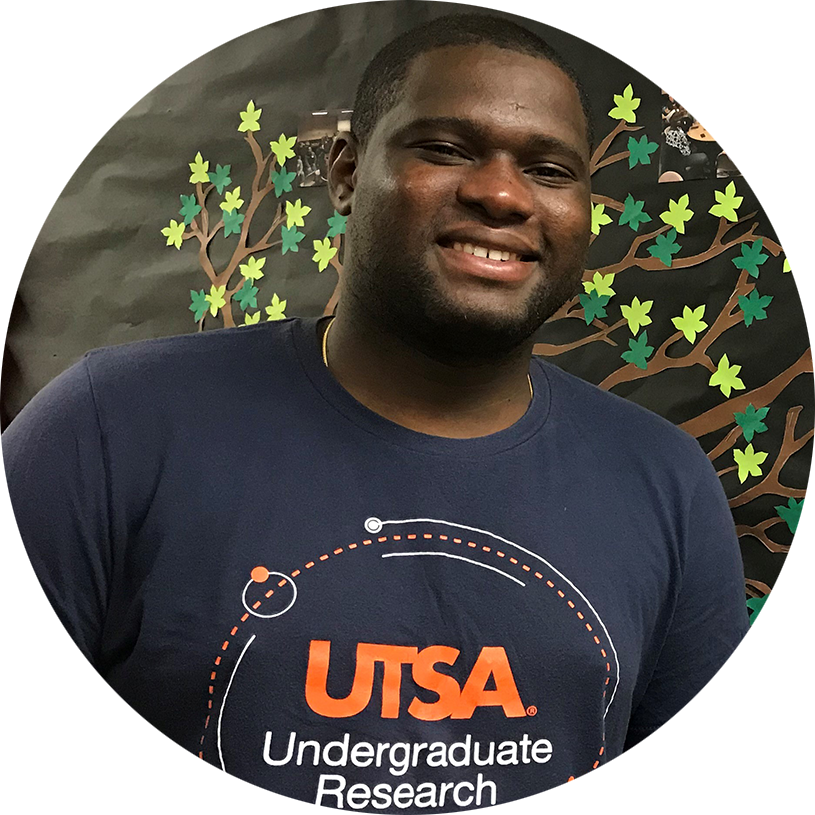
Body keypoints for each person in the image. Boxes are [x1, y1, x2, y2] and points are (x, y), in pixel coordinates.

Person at [0, 13, 764, 815]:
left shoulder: (664, 480)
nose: (501, 193)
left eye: (547, 168)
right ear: (344, 172)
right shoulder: (106, 432)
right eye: (444, 148)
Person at [717, 107, 753, 176]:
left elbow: (733, 156)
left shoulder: (741, 133)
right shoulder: (746, 129)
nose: (735, 120)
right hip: (742, 164)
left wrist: (727, 144)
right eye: (733, 118)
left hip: (735, 167)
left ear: (743, 118)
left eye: (738, 118)